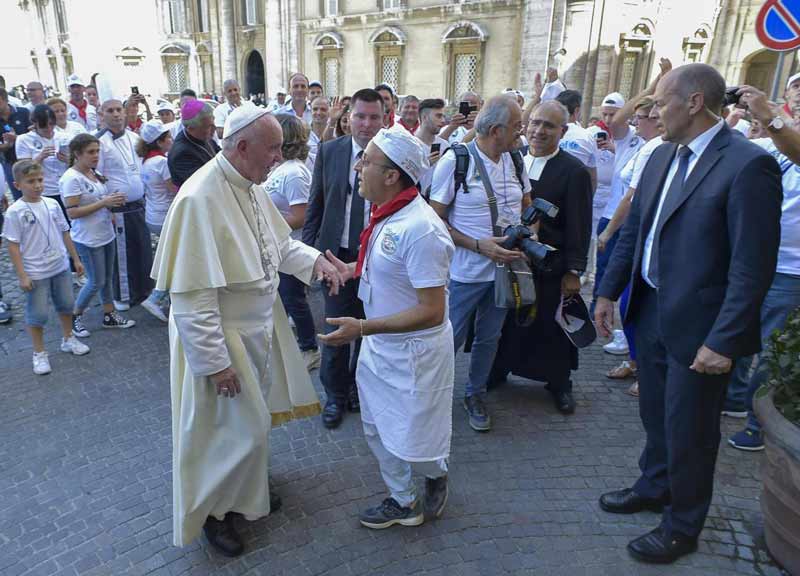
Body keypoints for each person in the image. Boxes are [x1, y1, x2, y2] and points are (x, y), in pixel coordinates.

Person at [594, 63, 782, 564]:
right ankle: (654, 486)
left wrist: (724, 340)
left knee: (693, 431)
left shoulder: (746, 165)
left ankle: (683, 525)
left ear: (695, 102)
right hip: (651, 310)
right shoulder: (659, 156)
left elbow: (751, 265)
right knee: (656, 414)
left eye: (660, 102)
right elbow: (636, 231)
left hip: (702, 327)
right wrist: (608, 292)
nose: (652, 112)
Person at [150, 105, 342, 557]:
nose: (279, 157)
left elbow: (278, 246)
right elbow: (192, 299)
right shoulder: (200, 198)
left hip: (256, 329)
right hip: (221, 337)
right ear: (241, 147)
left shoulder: (250, 184)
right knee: (226, 431)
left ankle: (246, 493)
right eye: (273, 148)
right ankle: (216, 516)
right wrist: (215, 364)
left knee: (249, 427)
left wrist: (315, 262)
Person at [321, 126, 455, 528]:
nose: (358, 166)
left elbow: (432, 310)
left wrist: (362, 327)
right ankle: (403, 499)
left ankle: (435, 475)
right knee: (377, 425)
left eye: (368, 161)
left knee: (418, 432)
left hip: (414, 353)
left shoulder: (422, 229)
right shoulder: (388, 214)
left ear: (393, 175)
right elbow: (392, 269)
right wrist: (354, 269)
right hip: (381, 344)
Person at [429, 96, 531, 432]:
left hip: (506, 272)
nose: (523, 131)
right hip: (465, 273)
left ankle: (475, 393)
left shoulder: (516, 159)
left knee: (490, 337)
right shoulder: (456, 161)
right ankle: (430, 397)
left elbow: (528, 206)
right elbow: (434, 220)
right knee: (450, 338)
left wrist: (527, 236)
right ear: (497, 130)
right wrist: (478, 245)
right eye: (517, 126)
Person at [490, 100, 592, 414]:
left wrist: (574, 271)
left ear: (563, 130)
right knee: (508, 323)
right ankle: (499, 370)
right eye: (534, 122)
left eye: (548, 125)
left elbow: (579, 224)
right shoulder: (511, 159)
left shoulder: (574, 171)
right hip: (513, 260)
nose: (538, 131)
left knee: (551, 327)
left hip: (551, 264)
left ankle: (559, 383)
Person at [723, 84, 800, 450]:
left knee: (771, 348)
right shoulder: (774, 143)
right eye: (795, 91)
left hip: (791, 269)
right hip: (757, 259)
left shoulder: (788, 140)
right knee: (739, 332)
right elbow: (736, 153)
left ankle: (758, 424)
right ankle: (736, 399)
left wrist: (769, 115)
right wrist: (726, 114)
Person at [303, 88, 384, 429]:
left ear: (384, 118)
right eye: (360, 116)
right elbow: (316, 205)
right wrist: (308, 256)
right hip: (336, 255)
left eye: (374, 117)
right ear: (348, 117)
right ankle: (334, 395)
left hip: (377, 256)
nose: (366, 124)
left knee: (369, 328)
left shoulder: (391, 153)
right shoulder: (330, 150)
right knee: (336, 328)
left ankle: (355, 386)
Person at [4, 159, 90, 374]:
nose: (37, 185)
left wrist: (75, 259)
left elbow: (64, 231)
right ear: (18, 185)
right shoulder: (15, 212)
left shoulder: (52, 204)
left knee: (66, 305)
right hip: (36, 271)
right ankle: (39, 352)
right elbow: (13, 246)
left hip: (59, 266)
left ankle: (68, 338)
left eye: (40, 180)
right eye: (30, 181)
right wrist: (22, 275)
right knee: (38, 314)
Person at [61, 133, 135, 337]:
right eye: (91, 152)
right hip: (88, 237)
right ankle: (75, 316)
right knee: (95, 281)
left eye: (97, 151)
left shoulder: (93, 172)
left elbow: (97, 198)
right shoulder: (71, 178)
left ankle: (109, 314)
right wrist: (104, 203)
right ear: (77, 154)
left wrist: (109, 205)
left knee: (106, 278)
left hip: (105, 233)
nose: (96, 155)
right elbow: (72, 212)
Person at [266, 114, 321, 370]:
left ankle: (310, 348)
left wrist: (262, 223)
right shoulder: (280, 169)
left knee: (294, 300)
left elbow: (301, 216)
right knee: (285, 299)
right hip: (275, 247)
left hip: (290, 248)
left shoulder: (296, 172)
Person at [96, 97, 154, 310]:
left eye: (119, 109)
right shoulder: (100, 143)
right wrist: (107, 205)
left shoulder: (134, 137)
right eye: (110, 110)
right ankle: (123, 295)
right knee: (123, 254)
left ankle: (145, 290)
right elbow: (97, 176)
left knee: (143, 249)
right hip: (118, 208)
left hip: (139, 203)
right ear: (102, 115)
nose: (116, 114)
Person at [137, 120, 177, 323]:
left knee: (169, 256)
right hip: (165, 215)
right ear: (159, 142)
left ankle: (168, 298)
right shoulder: (161, 163)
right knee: (174, 259)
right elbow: (173, 189)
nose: (171, 140)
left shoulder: (146, 161)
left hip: (153, 214)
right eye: (168, 137)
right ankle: (156, 297)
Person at [14, 105, 72, 218]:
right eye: (44, 125)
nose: (49, 128)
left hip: (66, 188)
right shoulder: (24, 140)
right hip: (44, 190)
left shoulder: (65, 137)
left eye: (51, 124)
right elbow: (22, 169)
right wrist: (40, 157)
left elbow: (77, 164)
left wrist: (68, 160)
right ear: (34, 123)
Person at [168, 100, 220, 188]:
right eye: (208, 126)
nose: (214, 128)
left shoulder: (202, 136)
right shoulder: (181, 154)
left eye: (213, 122)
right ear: (191, 128)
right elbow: (205, 183)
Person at [1, 86, 31, 200]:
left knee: (34, 191)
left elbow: (34, 136)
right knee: (18, 195)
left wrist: (17, 138)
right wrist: (6, 145)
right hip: (9, 162)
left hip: (29, 159)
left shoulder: (23, 113)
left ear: (5, 99)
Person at [415, 98, 449, 196]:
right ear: (425, 117)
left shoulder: (446, 146)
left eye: (443, 116)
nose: (443, 121)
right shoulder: (410, 146)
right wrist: (425, 164)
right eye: (438, 116)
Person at [307, 96, 330, 170]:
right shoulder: (302, 133)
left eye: (323, 109)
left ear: (329, 112)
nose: (319, 113)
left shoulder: (336, 133)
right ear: (310, 111)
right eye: (315, 109)